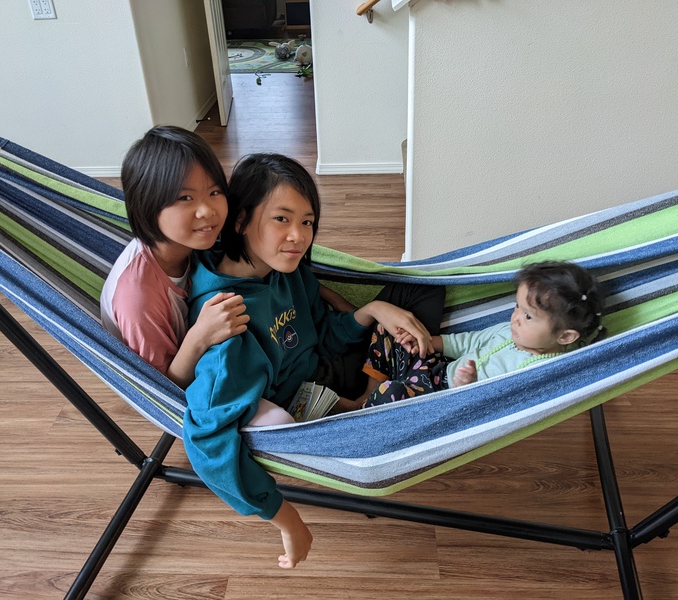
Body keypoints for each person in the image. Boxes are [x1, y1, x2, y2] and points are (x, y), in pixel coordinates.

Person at [183, 153, 439, 570]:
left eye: (307, 222)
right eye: (282, 219)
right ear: (242, 220)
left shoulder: (283, 270)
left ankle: (404, 370)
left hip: (326, 359)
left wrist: (373, 310)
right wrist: (286, 518)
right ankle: (405, 382)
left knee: (422, 294)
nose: (298, 237)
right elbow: (206, 440)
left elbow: (322, 330)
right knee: (407, 387)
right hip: (312, 398)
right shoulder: (229, 327)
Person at [99, 126, 292, 426]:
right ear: (147, 205)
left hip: (223, 354)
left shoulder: (194, 241)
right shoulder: (137, 295)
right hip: (190, 379)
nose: (207, 211)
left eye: (215, 192)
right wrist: (200, 337)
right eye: (185, 198)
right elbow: (163, 389)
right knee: (279, 423)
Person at [357, 261, 606, 408]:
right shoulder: (510, 332)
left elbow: (498, 407)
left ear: (565, 337)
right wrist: (426, 342)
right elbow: (468, 341)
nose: (516, 318)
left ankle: (367, 407)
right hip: (434, 369)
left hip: (441, 399)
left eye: (528, 316)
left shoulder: (542, 371)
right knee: (389, 330)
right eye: (517, 306)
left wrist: (469, 387)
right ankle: (367, 394)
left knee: (392, 393)